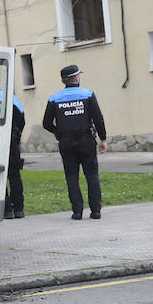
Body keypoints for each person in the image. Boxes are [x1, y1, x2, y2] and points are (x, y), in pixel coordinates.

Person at [43, 63, 107, 220]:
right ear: (77, 78)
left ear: (64, 81)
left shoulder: (54, 98)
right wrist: (103, 139)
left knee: (72, 176)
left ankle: (77, 212)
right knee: (91, 175)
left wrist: (59, 133)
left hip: (66, 142)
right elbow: (98, 119)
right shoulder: (88, 94)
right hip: (86, 140)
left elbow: (46, 123)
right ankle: (96, 211)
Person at [6, 95, 26, 218]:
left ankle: (6, 210)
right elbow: (22, 120)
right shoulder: (11, 98)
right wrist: (17, 135)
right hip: (11, 141)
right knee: (14, 175)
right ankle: (19, 209)